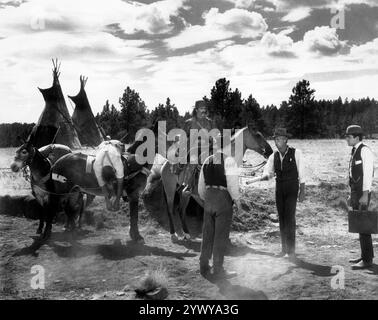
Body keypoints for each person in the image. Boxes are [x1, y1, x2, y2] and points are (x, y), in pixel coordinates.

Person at [249, 128, 306, 259]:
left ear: (286, 140)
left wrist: (302, 191)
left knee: (289, 218)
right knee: (281, 219)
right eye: (275, 139)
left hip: (292, 188)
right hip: (279, 189)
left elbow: (302, 173)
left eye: (279, 139)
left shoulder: (296, 153)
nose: (277, 141)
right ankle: (283, 249)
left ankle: (291, 251)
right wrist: (263, 176)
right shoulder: (273, 156)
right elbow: (268, 173)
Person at [198, 150, 241, 279]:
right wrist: (238, 203)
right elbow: (233, 186)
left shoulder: (207, 160)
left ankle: (203, 265)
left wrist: (208, 199)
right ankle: (218, 269)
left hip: (209, 198)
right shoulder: (229, 161)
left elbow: (201, 186)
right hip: (223, 199)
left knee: (207, 234)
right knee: (220, 236)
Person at [345, 125, 375, 269]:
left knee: (364, 226)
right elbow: (354, 174)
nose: (346, 139)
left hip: (363, 193)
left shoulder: (365, 151)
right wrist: (352, 193)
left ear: (356, 137)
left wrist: (364, 194)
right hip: (356, 192)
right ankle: (365, 255)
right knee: (359, 224)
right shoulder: (355, 151)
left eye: (348, 136)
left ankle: (367, 260)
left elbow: (368, 174)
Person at [182, 100, 215, 194]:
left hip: (209, 147)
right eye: (201, 108)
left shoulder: (210, 122)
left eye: (205, 108)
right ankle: (188, 185)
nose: (203, 110)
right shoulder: (189, 122)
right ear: (196, 110)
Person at [93, 140, 125, 211]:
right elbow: (102, 185)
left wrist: (118, 200)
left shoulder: (117, 163)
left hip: (115, 144)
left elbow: (120, 183)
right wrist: (107, 201)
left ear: (114, 171)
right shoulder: (97, 166)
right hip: (102, 146)